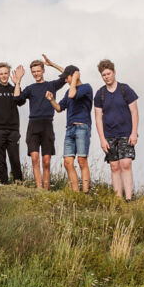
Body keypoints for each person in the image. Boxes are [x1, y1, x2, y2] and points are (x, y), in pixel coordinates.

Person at [94, 60, 139, 201]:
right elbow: (98, 118)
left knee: (126, 163)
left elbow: (134, 112)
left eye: (108, 73)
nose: (106, 77)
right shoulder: (100, 94)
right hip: (109, 135)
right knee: (114, 166)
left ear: (114, 72)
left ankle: (129, 199)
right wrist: (102, 139)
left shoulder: (125, 90)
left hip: (126, 133)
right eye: (103, 75)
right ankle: (118, 199)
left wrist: (134, 132)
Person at [46, 65, 93, 193]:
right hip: (70, 129)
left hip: (82, 127)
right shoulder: (68, 91)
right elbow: (59, 108)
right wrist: (51, 100)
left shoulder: (86, 88)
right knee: (67, 162)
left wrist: (75, 78)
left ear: (75, 76)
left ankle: (86, 192)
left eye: (67, 78)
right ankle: (76, 194)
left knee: (82, 161)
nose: (65, 81)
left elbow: (73, 94)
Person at [15, 58, 56, 190]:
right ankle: (39, 190)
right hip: (33, 125)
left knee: (46, 161)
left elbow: (68, 74)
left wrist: (52, 64)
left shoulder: (52, 85)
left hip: (47, 125)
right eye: (34, 72)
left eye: (38, 71)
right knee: (34, 158)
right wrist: (18, 82)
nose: (36, 74)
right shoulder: (30, 88)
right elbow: (17, 99)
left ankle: (46, 190)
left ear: (43, 71)